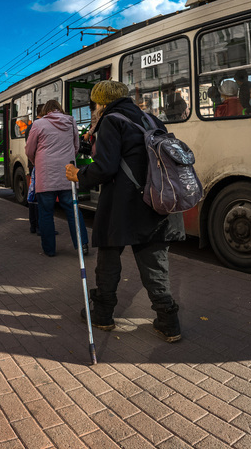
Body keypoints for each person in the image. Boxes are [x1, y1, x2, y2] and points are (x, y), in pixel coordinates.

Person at [65, 80, 185, 342]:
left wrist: (78, 174)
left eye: (96, 104)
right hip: (156, 200)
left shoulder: (111, 120)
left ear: (101, 102)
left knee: (108, 258)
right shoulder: (151, 119)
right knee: (155, 264)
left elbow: (105, 168)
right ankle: (168, 322)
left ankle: (103, 315)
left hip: (122, 203)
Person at [25, 99, 89, 257]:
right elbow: (76, 146)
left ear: (46, 111)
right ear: (59, 109)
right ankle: (82, 245)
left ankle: (49, 249)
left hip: (45, 174)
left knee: (46, 212)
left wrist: (37, 162)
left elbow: (29, 150)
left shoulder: (38, 124)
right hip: (68, 173)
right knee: (73, 210)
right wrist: (68, 158)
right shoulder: (71, 121)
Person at [25, 104, 45, 233]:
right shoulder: (38, 126)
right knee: (38, 197)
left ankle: (34, 225)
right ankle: (38, 226)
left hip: (34, 164)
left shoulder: (31, 126)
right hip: (38, 165)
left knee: (33, 196)